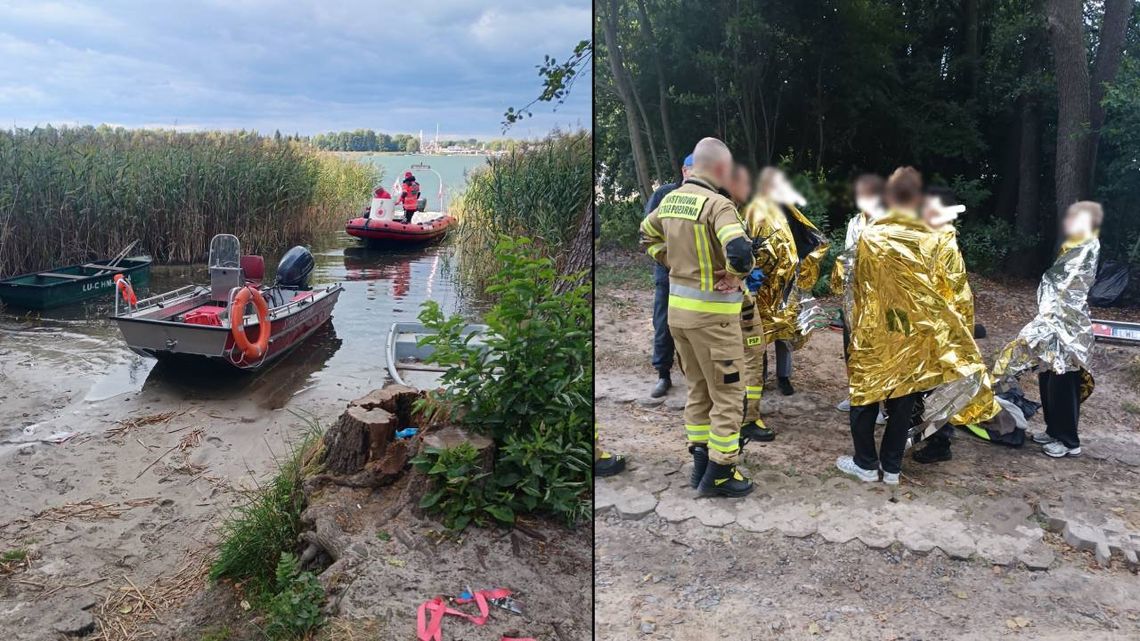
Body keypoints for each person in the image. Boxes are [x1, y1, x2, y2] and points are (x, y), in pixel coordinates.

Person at [838, 167, 989, 485]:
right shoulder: (940, 236)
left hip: (875, 328)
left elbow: (854, 283)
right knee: (904, 398)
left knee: (865, 396)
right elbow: (959, 291)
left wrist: (855, 325)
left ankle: (865, 463)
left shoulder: (871, 234)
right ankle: (891, 468)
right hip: (917, 332)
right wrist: (958, 336)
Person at [641, 137, 755, 497]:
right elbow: (738, 249)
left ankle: (700, 464)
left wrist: (670, 261)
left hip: (679, 315)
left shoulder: (670, 200)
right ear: (721, 170)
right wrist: (738, 273)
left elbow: (646, 235)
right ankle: (721, 473)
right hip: (715, 320)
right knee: (729, 393)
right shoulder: (718, 205)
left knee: (699, 389)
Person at [993, 201, 1103, 458]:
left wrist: (1049, 299)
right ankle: (1053, 430)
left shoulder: (1087, 245)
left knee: (1064, 383)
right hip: (1054, 323)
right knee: (1048, 378)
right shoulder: (1073, 243)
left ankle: (1069, 441)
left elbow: (1068, 284)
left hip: (1068, 328)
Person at [742, 167, 829, 397]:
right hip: (759, 285)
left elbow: (808, 239)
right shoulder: (751, 210)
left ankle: (783, 377)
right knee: (758, 333)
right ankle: (757, 378)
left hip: (786, 286)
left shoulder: (787, 211)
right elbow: (745, 242)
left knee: (784, 331)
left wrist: (802, 273)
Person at [832, 174, 885, 420]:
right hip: (852, 298)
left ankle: (880, 404)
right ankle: (856, 393)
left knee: (876, 350)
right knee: (851, 347)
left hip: (879, 300)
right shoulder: (855, 222)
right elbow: (848, 254)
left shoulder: (889, 224)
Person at [643, 154, 694, 398]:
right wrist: (667, 259)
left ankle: (694, 377)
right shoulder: (664, 195)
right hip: (667, 275)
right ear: (685, 170)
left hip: (696, 278)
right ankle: (663, 375)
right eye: (695, 170)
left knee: (694, 328)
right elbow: (648, 231)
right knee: (663, 325)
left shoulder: (710, 197)